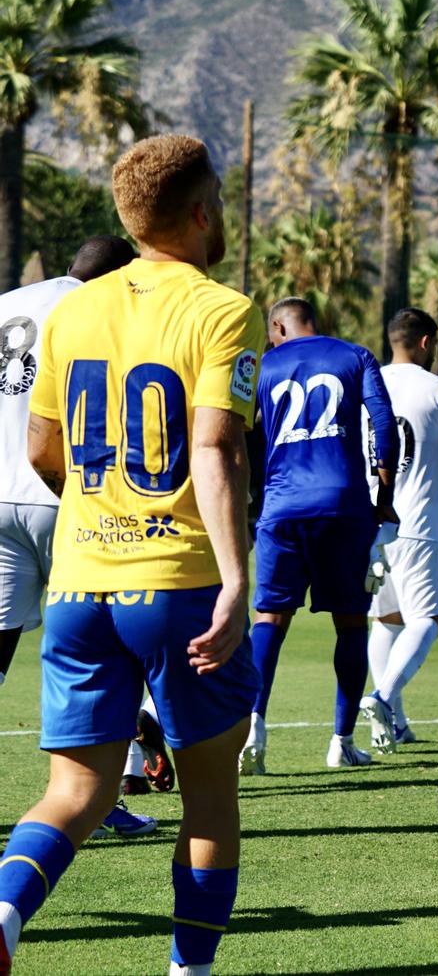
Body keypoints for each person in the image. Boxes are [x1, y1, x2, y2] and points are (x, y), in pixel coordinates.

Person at [0, 135, 263, 976]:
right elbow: (216, 449)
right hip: (178, 577)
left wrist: (99, 509)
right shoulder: (224, 307)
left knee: (74, 793)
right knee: (211, 798)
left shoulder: (74, 309)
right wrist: (235, 579)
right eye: (218, 195)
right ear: (199, 211)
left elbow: (45, 448)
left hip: (81, 582)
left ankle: (3, 914)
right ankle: (191, 971)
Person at [0, 235, 172, 824]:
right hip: (66, 496)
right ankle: (107, 797)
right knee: (104, 652)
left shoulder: (8, 303)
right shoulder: (103, 309)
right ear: (119, 274)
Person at [240, 298, 397, 773]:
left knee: (268, 619)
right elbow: (384, 427)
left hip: (281, 506)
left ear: (277, 327)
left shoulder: (264, 365)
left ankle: (252, 730)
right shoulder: (355, 356)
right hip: (343, 505)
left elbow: (240, 430)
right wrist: (383, 499)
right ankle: (341, 742)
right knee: (351, 623)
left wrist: (251, 496)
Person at [359, 307, 438, 752]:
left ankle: (393, 721)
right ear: (426, 342)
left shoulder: (367, 383)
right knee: (428, 620)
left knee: (386, 620)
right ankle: (383, 698)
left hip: (372, 522)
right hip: (417, 523)